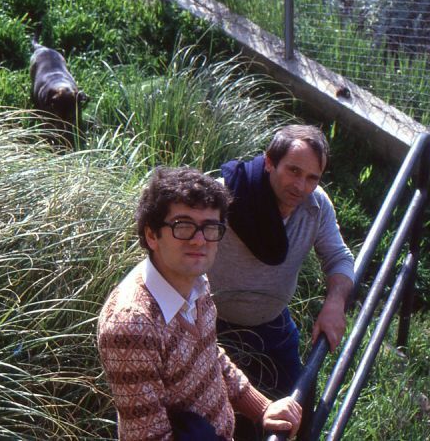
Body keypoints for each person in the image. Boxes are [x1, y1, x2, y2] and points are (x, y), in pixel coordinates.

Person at [97, 166, 302, 440]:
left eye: (210, 228)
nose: (199, 240)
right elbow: (149, 437)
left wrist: (262, 408)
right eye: (183, 226)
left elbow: (210, 355)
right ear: (151, 235)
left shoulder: (196, 282)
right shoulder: (132, 325)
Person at [208, 125, 356, 430]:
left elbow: (339, 257)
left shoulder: (316, 206)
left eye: (312, 178)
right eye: (293, 171)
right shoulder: (220, 200)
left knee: (299, 408)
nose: (300, 186)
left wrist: (335, 302)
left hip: (272, 323)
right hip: (212, 329)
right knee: (223, 422)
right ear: (269, 162)